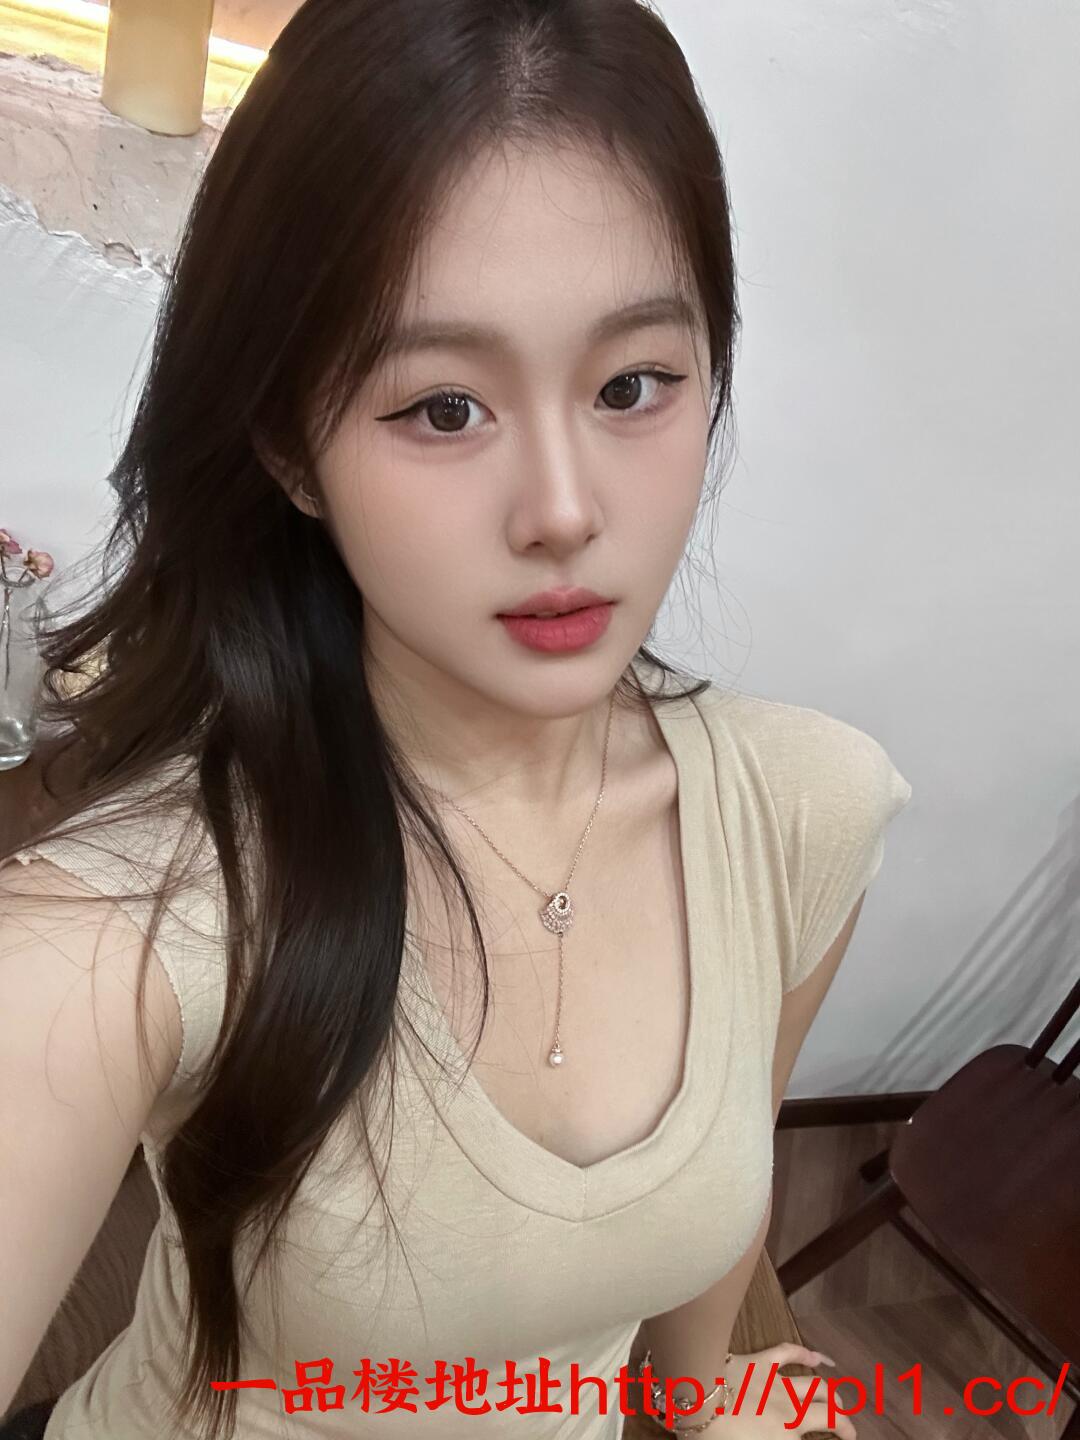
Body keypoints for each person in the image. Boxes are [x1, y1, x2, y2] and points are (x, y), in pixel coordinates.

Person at [0, 0, 913, 1437]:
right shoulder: (127, 925)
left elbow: (689, 1309)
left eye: (633, 385)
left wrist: (713, 1412)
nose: (564, 509)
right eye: (442, 408)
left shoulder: (807, 812)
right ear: (289, 445)